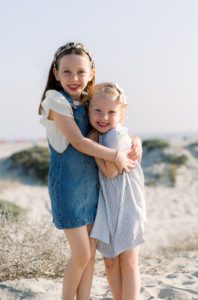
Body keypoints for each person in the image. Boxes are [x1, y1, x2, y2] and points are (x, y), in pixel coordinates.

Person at [39, 42, 142, 300]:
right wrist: (116, 156)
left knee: (92, 253)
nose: (74, 78)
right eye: (67, 72)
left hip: (93, 191)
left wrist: (134, 141)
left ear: (91, 73)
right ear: (56, 72)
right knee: (82, 253)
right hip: (69, 189)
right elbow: (78, 141)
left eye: (81, 72)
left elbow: (112, 123)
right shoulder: (55, 101)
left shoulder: (87, 100)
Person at [88, 83, 147, 300]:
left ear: (120, 114)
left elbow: (110, 172)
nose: (104, 116)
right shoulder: (107, 135)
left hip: (127, 204)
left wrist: (92, 147)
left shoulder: (112, 136)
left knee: (128, 262)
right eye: (98, 111)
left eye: (111, 112)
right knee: (111, 262)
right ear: (89, 110)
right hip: (111, 206)